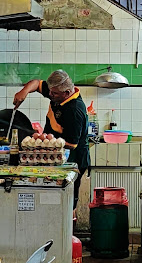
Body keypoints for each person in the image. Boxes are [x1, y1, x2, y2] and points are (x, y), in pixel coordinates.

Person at [13, 69, 90, 209]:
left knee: (67, 199)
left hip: (73, 157)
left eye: (54, 93)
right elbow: (36, 84)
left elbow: (72, 144)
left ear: (66, 93)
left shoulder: (75, 110)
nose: (49, 95)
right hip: (52, 155)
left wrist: (44, 142)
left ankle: (66, 226)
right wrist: (23, 92)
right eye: (50, 91)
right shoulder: (56, 92)